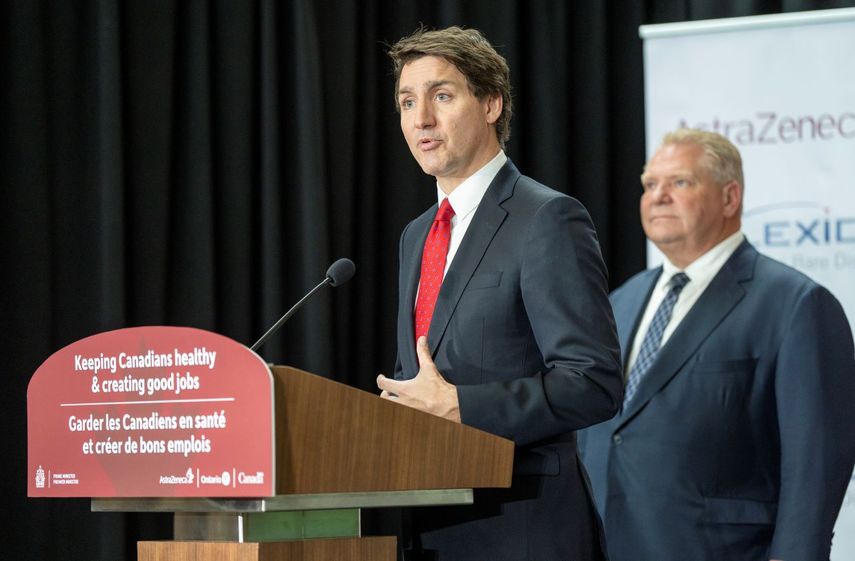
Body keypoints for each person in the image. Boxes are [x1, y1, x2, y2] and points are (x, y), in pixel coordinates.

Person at [374, 26, 623, 561]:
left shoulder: (547, 218)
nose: (421, 120)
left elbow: (593, 382)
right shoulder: (416, 235)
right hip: (430, 529)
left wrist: (462, 405)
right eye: (407, 101)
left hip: (523, 530)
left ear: (491, 103)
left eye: (442, 95)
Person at [578, 128, 855, 561]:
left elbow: (813, 474)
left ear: (730, 198)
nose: (658, 196)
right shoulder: (621, 301)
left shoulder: (796, 304)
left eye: (680, 182)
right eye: (650, 184)